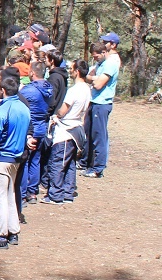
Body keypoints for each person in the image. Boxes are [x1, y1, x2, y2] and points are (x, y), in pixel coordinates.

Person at [0, 76, 29, 249]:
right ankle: (13, 231)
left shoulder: (1, 111)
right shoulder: (24, 109)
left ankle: (0, 235)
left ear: (2, 91)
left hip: (2, 158)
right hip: (16, 159)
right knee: (10, 194)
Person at [44, 59, 91, 204]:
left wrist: (56, 115)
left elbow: (63, 110)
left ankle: (56, 195)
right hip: (77, 128)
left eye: (72, 69)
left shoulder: (74, 90)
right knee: (69, 163)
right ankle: (67, 192)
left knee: (58, 162)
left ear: (77, 72)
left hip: (66, 130)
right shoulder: (87, 89)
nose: (70, 71)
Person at [84, 35, 119, 177]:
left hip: (103, 103)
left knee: (99, 136)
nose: (95, 59)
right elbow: (88, 76)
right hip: (94, 101)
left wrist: (93, 79)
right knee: (89, 134)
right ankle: (88, 163)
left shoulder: (110, 64)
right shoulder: (100, 64)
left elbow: (98, 85)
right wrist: (94, 78)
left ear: (104, 52)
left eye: (97, 56)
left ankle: (98, 168)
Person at [18, 60, 53, 204]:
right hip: (41, 127)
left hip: (31, 128)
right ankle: (33, 192)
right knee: (36, 160)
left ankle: (24, 193)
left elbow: (19, 98)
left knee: (25, 161)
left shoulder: (30, 90)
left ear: (32, 73)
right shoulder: (49, 88)